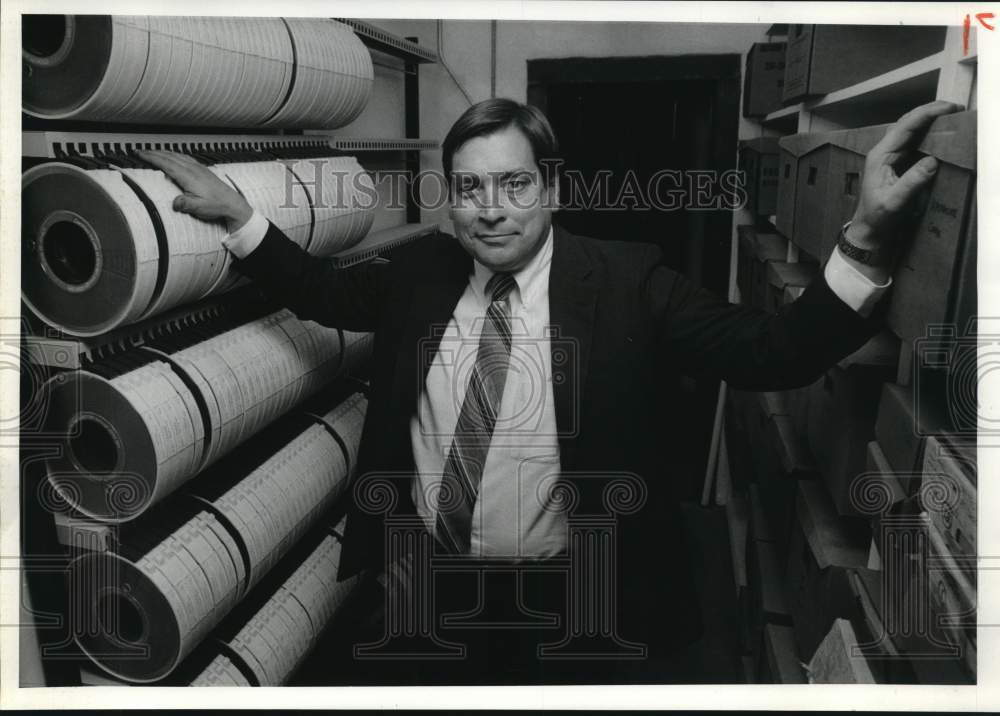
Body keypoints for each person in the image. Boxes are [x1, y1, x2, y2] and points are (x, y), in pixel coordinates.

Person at [138, 98, 958, 684]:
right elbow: (320, 292)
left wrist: (863, 238)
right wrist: (238, 216)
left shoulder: (632, 280)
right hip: (434, 579)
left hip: (576, 590)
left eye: (513, 185)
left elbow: (772, 351)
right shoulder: (420, 271)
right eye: (469, 189)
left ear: (553, 188)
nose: (490, 211)